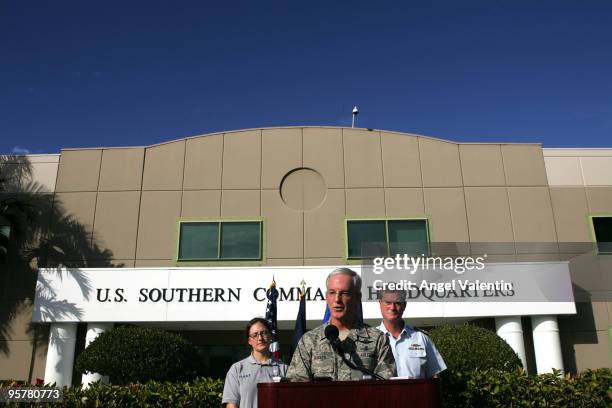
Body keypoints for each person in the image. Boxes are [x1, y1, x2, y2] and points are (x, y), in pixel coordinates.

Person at [287, 268, 396, 381]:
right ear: (327, 297)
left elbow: (386, 388)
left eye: (345, 293)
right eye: (332, 293)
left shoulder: (378, 339)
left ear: (357, 297)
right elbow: (296, 387)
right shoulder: (309, 341)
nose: (337, 299)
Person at [377, 290, 446, 379]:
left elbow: (434, 376)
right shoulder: (371, 339)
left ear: (404, 305)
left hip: (416, 393)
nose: (392, 307)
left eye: (397, 303)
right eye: (388, 303)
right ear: (380, 303)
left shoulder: (421, 338)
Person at [222, 317, 288, 408]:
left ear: (270, 337)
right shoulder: (237, 369)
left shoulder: (284, 369)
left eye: (264, 333)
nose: (260, 338)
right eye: (255, 335)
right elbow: (231, 404)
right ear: (249, 341)